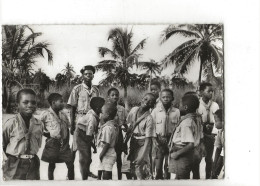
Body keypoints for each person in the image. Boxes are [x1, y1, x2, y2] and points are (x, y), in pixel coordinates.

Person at [2, 89, 43, 180]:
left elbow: (38, 144)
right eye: (25, 102)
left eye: (33, 102)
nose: (30, 105)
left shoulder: (39, 124)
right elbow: (3, 144)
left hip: (33, 164)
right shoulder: (11, 123)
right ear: (18, 104)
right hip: (14, 164)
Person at [67, 65, 99, 178]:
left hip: (91, 121)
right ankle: (70, 172)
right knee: (75, 148)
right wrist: (72, 124)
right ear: (83, 75)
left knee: (88, 146)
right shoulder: (77, 89)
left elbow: (98, 108)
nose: (88, 76)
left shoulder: (96, 90)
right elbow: (72, 107)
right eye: (86, 74)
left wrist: (97, 124)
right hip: (79, 120)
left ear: (93, 75)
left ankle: (87, 171)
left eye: (90, 74)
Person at [40, 93, 74, 180]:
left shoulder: (63, 114)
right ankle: (51, 182)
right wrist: (48, 134)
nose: (63, 103)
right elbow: (38, 127)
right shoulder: (45, 114)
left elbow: (67, 127)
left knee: (70, 164)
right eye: (61, 101)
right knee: (52, 164)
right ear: (53, 102)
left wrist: (66, 140)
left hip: (64, 143)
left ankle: (71, 181)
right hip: (52, 143)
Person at [124, 93, 156, 180]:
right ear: (141, 99)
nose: (146, 102)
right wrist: (125, 143)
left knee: (141, 167)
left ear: (152, 105)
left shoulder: (149, 118)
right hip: (133, 141)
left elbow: (148, 139)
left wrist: (142, 155)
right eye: (145, 99)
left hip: (143, 143)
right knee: (130, 169)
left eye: (150, 102)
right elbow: (130, 127)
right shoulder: (134, 110)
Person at [168, 93, 201, 179]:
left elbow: (190, 144)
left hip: (183, 154)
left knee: (181, 178)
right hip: (190, 153)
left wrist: (177, 154)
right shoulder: (196, 118)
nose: (179, 107)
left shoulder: (186, 122)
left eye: (180, 105)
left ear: (185, 107)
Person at [151, 89, 180, 179]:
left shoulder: (176, 111)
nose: (166, 99)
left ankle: (167, 179)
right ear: (160, 98)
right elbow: (151, 127)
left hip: (171, 142)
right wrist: (155, 140)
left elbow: (178, 128)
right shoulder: (155, 111)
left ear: (172, 98)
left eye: (168, 97)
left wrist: (174, 141)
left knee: (168, 166)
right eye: (163, 97)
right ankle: (158, 178)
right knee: (158, 165)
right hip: (159, 141)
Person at [75, 97, 105, 180]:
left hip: (85, 135)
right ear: (98, 108)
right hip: (81, 135)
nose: (104, 107)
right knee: (85, 158)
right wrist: (94, 146)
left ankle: (86, 172)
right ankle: (84, 178)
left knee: (88, 158)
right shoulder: (92, 118)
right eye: (103, 106)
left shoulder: (94, 113)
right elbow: (88, 136)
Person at [197, 82, 219, 179]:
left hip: (211, 135)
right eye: (208, 91)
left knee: (209, 159)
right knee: (197, 158)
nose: (211, 93)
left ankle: (208, 178)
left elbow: (218, 120)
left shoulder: (215, 105)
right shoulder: (197, 105)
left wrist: (213, 130)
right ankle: (196, 178)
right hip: (200, 135)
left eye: (212, 91)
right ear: (201, 92)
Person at [106, 88, 127, 180]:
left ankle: (119, 179)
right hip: (109, 135)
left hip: (119, 135)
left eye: (116, 95)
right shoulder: (105, 108)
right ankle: (108, 179)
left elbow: (125, 122)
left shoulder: (122, 109)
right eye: (112, 95)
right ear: (108, 97)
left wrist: (125, 127)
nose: (115, 97)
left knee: (119, 157)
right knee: (107, 158)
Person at [97, 103, 118, 180]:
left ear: (107, 115)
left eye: (102, 113)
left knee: (106, 172)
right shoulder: (113, 125)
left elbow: (107, 143)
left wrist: (101, 155)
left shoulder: (107, 128)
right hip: (109, 152)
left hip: (107, 152)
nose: (100, 114)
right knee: (104, 169)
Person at [211, 109, 224, 179]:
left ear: (223, 122)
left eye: (216, 121)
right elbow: (218, 149)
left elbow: (223, 156)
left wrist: (216, 170)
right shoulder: (220, 132)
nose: (214, 123)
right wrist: (214, 166)